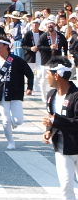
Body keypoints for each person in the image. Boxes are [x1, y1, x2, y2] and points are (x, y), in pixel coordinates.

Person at [0, 36, 34, 149]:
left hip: (16, 93)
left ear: (6, 46)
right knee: (5, 121)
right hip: (1, 94)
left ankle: (13, 124)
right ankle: (10, 142)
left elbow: (30, 74)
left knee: (18, 120)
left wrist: (29, 87)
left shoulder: (17, 60)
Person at [42, 58, 78, 200]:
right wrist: (48, 130)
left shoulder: (76, 96)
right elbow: (51, 117)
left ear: (56, 75)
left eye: (48, 74)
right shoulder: (51, 95)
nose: (46, 77)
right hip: (62, 148)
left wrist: (55, 120)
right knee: (66, 186)